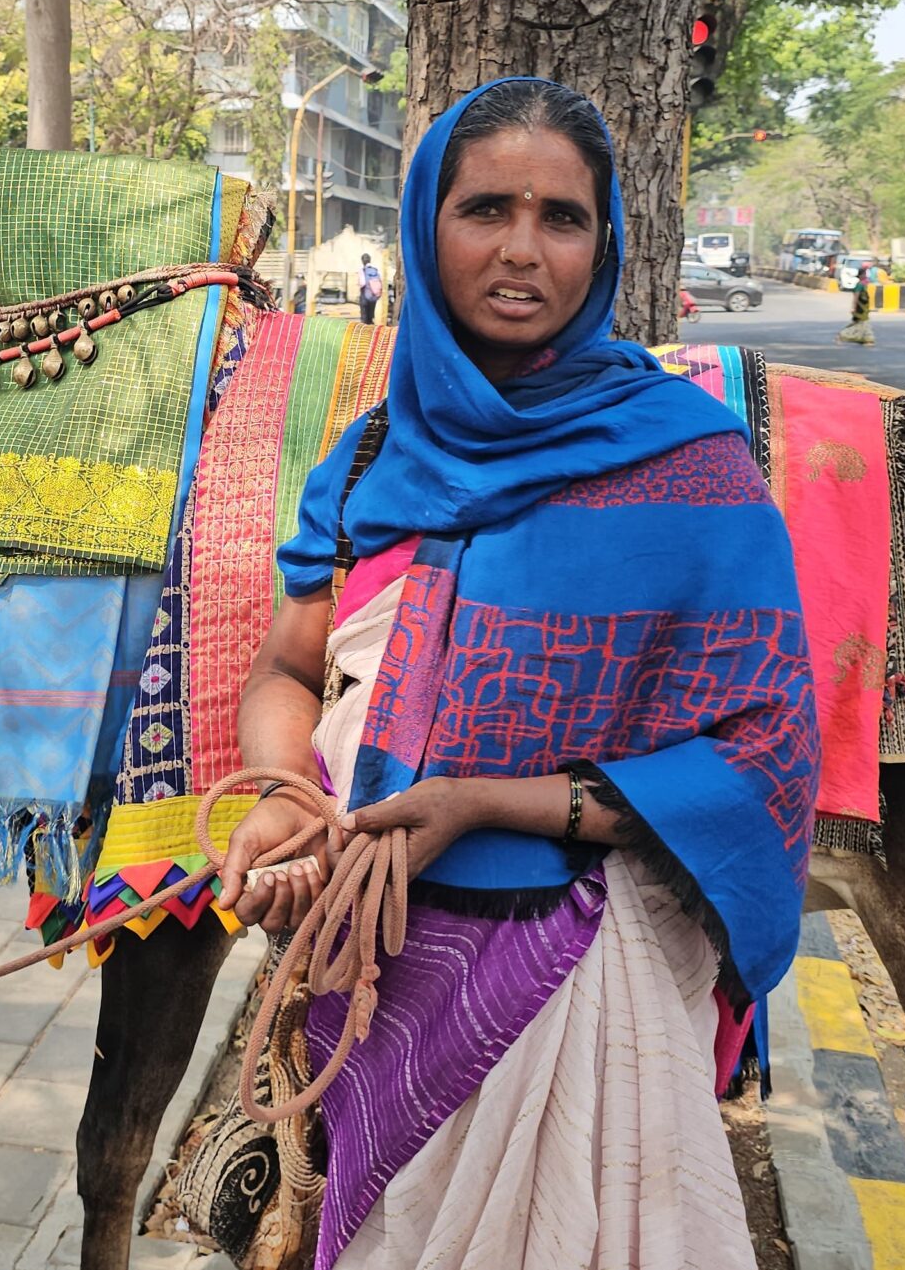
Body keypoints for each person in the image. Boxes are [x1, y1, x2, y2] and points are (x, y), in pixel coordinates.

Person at [219, 78, 820, 1268]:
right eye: (484, 208)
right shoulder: (369, 456)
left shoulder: (691, 469)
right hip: (364, 960)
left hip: (580, 972)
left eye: (562, 218)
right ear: (424, 226)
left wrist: (486, 803)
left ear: (605, 244)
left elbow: (760, 755)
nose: (520, 250)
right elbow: (290, 665)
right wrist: (283, 790)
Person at [357, 252, 384, 325]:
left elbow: (362, 283)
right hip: (373, 295)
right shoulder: (375, 270)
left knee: (364, 318)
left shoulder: (362, 270)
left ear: (362, 261)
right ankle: (371, 332)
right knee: (371, 317)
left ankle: (364, 333)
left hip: (365, 296)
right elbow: (380, 281)